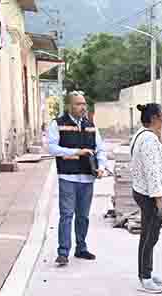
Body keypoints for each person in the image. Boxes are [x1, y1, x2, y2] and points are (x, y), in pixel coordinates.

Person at [47, 91, 107, 266]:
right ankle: (63, 252)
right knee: (66, 215)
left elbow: (101, 149)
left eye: (84, 104)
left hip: (87, 178)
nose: (83, 107)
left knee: (83, 216)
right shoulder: (57, 124)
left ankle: (81, 248)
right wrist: (75, 152)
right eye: (78, 104)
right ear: (69, 106)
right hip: (67, 177)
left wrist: (101, 167)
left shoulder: (90, 125)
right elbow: (52, 148)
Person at [129, 104, 162, 294]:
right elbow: (151, 171)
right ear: (156, 117)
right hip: (151, 196)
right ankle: (146, 277)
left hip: (145, 192)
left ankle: (145, 272)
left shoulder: (142, 135)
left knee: (147, 235)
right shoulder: (148, 139)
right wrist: (158, 199)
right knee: (151, 236)